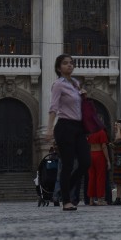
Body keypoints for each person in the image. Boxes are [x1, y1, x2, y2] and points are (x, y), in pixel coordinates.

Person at [45, 54, 91, 211]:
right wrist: (49, 129)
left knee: (86, 162)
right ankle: (66, 201)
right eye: (65, 63)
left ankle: (66, 186)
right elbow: (53, 107)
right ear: (59, 68)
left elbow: (81, 106)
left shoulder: (76, 83)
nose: (69, 65)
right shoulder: (58, 84)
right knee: (68, 164)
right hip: (64, 127)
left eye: (71, 63)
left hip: (79, 127)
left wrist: (84, 96)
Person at [86, 126, 110, 206]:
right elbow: (103, 146)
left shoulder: (91, 132)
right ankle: (100, 199)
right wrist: (108, 160)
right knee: (100, 177)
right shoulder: (102, 132)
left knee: (91, 177)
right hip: (99, 155)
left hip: (91, 154)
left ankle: (91, 200)